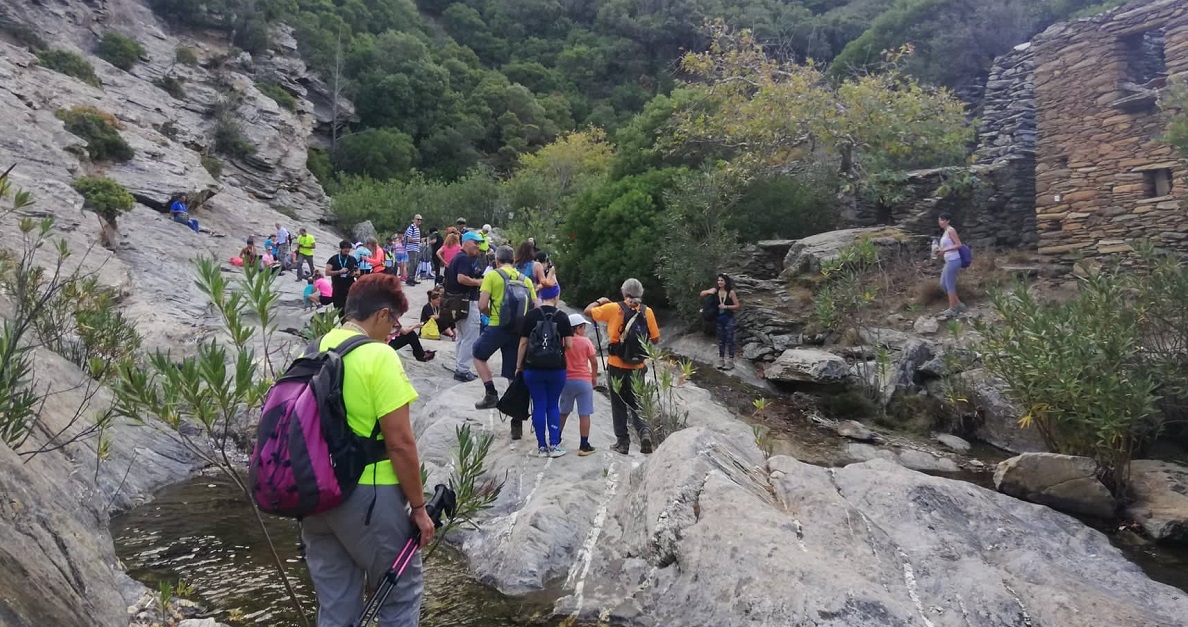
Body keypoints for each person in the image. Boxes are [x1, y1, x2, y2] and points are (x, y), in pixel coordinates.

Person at [302, 273, 433, 626]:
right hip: (369, 495)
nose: (394, 330)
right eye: (393, 321)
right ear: (380, 315)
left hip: (316, 496)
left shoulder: (316, 347)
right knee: (400, 592)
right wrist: (419, 508)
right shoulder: (379, 356)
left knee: (336, 604)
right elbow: (400, 443)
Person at [584, 278, 660, 455]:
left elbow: (588, 311)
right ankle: (644, 433)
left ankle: (622, 442)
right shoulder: (647, 311)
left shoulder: (613, 308)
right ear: (641, 293)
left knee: (618, 403)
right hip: (638, 365)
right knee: (637, 401)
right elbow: (655, 339)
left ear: (624, 292)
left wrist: (600, 301)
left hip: (616, 364)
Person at [473, 246, 538, 410]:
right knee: (512, 371)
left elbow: (481, 305)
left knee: (478, 353)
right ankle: (516, 416)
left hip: (497, 326)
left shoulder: (492, 276)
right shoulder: (526, 280)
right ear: (514, 261)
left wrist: (491, 314)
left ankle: (491, 394)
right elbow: (536, 307)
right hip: (518, 330)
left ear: (497, 261)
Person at [516, 291, 573, 457]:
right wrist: (559, 353)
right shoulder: (562, 317)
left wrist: (519, 365)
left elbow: (523, 343)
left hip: (533, 368)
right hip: (556, 368)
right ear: (556, 297)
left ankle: (541, 446)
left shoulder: (531, 315)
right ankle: (555, 445)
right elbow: (569, 344)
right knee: (553, 405)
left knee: (539, 404)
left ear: (541, 297)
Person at [444, 231, 485, 382]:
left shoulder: (458, 257)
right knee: (470, 336)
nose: (478, 246)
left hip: (459, 302)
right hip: (466, 302)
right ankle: (463, 370)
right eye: (476, 243)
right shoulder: (463, 258)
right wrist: (479, 282)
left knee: (462, 336)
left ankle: (460, 366)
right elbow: (461, 278)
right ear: (466, 242)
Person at [560, 313, 598, 456]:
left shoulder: (563, 341)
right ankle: (584, 445)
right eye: (583, 327)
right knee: (584, 414)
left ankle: (555, 440)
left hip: (566, 380)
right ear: (577, 328)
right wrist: (594, 377)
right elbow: (594, 361)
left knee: (563, 412)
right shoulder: (586, 341)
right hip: (583, 380)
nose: (584, 330)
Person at [700, 273, 740, 370]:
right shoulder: (715, 291)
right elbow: (702, 294)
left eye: (722, 280)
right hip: (719, 318)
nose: (720, 282)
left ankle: (730, 360)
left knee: (730, 339)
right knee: (721, 339)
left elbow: (737, 306)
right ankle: (721, 359)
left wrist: (726, 306)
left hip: (729, 318)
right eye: (718, 280)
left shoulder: (731, 292)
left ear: (726, 282)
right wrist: (710, 291)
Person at [935, 212, 966, 318]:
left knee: (949, 284)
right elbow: (947, 246)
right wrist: (940, 251)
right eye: (939, 220)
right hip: (949, 260)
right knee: (943, 284)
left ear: (948, 221)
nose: (940, 222)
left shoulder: (951, 230)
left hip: (954, 260)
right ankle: (959, 304)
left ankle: (952, 308)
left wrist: (944, 250)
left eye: (942, 220)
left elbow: (958, 244)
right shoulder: (945, 232)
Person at [326, 240, 360, 311]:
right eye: (345, 250)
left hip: (349, 287)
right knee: (339, 308)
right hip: (337, 287)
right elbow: (327, 272)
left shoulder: (352, 259)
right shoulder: (333, 259)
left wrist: (356, 274)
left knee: (350, 307)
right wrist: (339, 272)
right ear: (341, 249)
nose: (347, 252)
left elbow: (358, 270)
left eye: (348, 250)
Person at [404, 214, 423, 286]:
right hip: (411, 248)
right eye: (418, 219)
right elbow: (409, 239)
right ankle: (409, 279)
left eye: (420, 220)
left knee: (415, 264)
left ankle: (413, 278)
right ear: (414, 220)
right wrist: (418, 240)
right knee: (412, 264)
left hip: (416, 248)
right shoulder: (411, 228)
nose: (419, 221)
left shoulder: (417, 228)